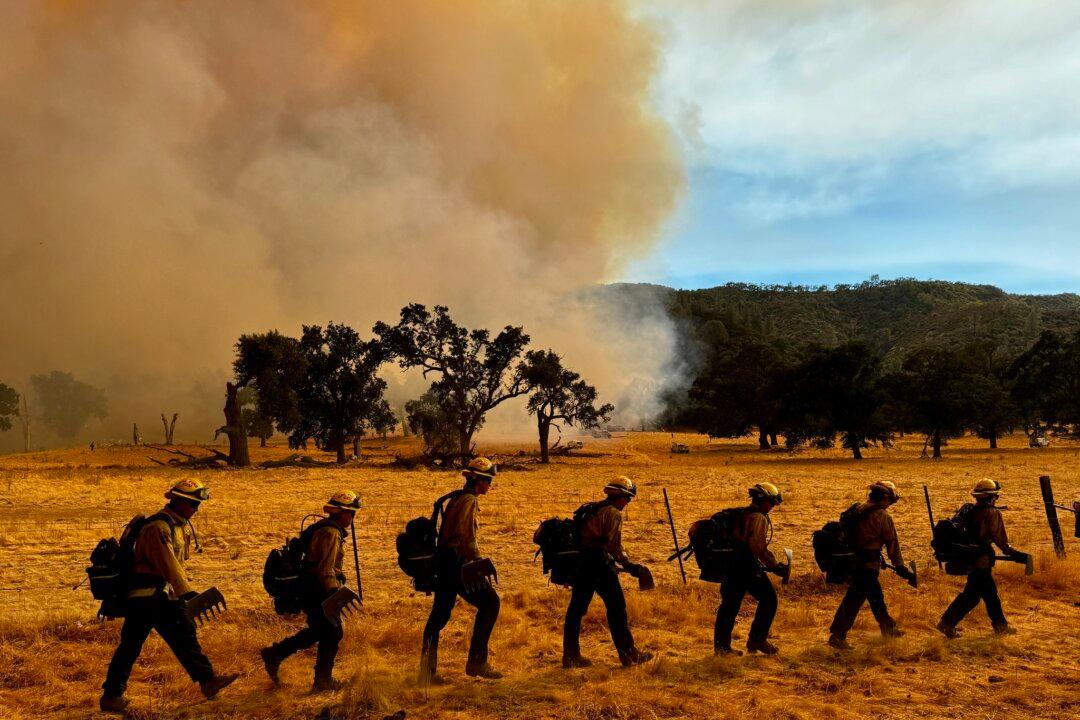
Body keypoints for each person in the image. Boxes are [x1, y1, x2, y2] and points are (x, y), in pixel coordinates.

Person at [100, 479, 238, 714]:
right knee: (170, 639)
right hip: (149, 596)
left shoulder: (177, 525)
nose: (196, 509)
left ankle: (112, 695)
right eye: (193, 504)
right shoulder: (158, 528)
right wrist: (186, 592)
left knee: (145, 644)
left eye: (198, 505)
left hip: (158, 595)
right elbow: (168, 563)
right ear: (178, 501)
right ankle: (207, 680)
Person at [261, 490, 361, 692]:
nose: (352, 518)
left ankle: (278, 654)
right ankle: (321, 680)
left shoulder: (325, 528)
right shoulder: (331, 533)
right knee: (332, 631)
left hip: (310, 587)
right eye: (351, 513)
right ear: (342, 513)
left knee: (322, 630)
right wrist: (333, 593)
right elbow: (326, 568)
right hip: (316, 589)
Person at [419, 457, 502, 683]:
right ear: (479, 481)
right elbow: (466, 536)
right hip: (458, 563)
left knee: (439, 616)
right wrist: (477, 562)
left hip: (445, 562)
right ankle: (477, 662)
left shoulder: (456, 497)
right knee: (490, 603)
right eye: (488, 480)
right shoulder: (469, 500)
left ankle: (426, 672)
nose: (490, 485)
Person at [562, 476, 653, 669]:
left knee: (576, 611)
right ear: (619, 496)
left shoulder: (594, 508)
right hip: (599, 565)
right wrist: (632, 568)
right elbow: (613, 547)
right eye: (627, 498)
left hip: (581, 565)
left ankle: (570, 656)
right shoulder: (613, 514)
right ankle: (628, 654)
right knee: (617, 609)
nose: (628, 503)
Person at [827, 481, 907, 650]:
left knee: (875, 597)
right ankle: (838, 636)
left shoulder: (857, 508)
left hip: (852, 562)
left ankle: (888, 627)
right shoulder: (883, 516)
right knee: (854, 600)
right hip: (867, 565)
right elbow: (892, 544)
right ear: (886, 498)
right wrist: (900, 566)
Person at [937, 479, 1020, 638]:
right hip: (981, 560)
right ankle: (947, 623)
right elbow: (1000, 539)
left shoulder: (969, 510)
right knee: (973, 596)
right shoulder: (992, 513)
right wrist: (1012, 553)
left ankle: (1000, 625)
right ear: (992, 497)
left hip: (970, 557)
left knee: (987, 594)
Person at [714, 483, 789, 655]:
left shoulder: (740, 513)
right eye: (771, 503)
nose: (771, 507)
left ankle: (721, 648)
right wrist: (775, 566)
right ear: (764, 501)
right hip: (746, 566)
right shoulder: (758, 518)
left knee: (729, 606)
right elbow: (758, 547)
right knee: (769, 599)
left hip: (730, 566)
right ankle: (757, 640)